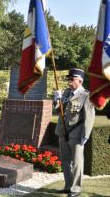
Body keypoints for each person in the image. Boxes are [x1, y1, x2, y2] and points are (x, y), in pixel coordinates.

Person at [53, 68, 95, 197]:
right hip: (62, 131)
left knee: (77, 162)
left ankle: (76, 189)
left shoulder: (86, 95)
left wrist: (85, 135)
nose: (69, 81)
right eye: (68, 79)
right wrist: (57, 100)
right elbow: (57, 111)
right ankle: (68, 186)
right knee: (65, 161)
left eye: (72, 79)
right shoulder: (66, 93)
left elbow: (90, 117)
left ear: (80, 81)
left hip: (76, 133)